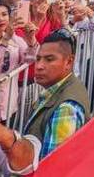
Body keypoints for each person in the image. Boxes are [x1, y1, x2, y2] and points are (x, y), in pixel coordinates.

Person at [24, 29, 90, 159]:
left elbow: (53, 164)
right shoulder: (62, 87)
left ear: (69, 62)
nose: (39, 66)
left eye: (49, 59)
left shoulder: (66, 109)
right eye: (38, 59)